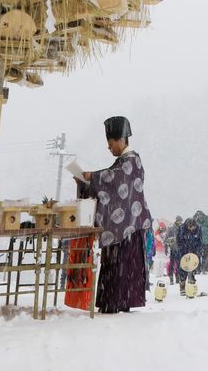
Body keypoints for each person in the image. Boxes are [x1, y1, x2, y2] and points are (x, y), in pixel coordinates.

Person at [75, 116, 153, 313]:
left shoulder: (132, 161)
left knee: (121, 267)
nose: (109, 148)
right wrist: (86, 182)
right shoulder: (121, 162)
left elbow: (114, 179)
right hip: (121, 229)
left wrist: (92, 177)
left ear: (121, 139)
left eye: (110, 144)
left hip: (129, 228)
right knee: (116, 267)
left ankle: (117, 302)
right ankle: (115, 301)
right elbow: (108, 182)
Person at [175, 216, 202, 293]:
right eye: (190, 228)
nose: (191, 229)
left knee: (193, 268)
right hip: (183, 251)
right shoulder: (181, 228)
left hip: (194, 251)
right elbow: (178, 241)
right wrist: (184, 250)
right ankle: (182, 287)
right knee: (183, 269)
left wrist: (197, 251)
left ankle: (191, 285)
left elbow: (199, 241)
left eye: (193, 228)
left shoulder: (198, 228)